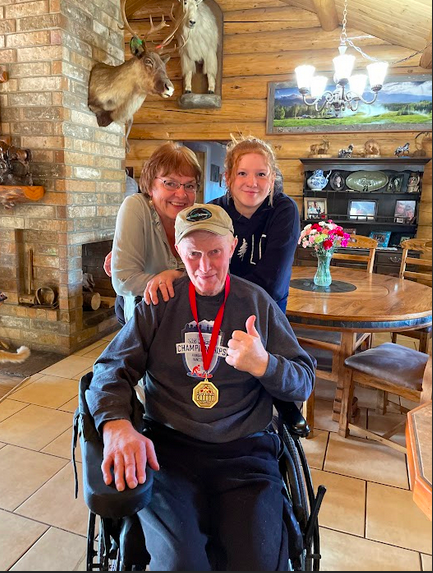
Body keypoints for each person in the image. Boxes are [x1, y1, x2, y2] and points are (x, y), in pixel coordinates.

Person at [86, 203, 315, 572]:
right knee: (180, 564)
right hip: (169, 454)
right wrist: (115, 425)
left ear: (233, 246)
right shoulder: (159, 301)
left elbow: (303, 380)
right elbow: (110, 368)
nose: (205, 266)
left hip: (246, 454)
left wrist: (265, 365)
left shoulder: (257, 302)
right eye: (193, 254)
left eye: (215, 253)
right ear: (178, 251)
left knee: (258, 563)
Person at [144, 136, 300, 313]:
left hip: (265, 311)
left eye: (261, 174)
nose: (252, 182)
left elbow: (273, 282)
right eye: (242, 173)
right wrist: (178, 273)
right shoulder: (213, 211)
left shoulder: (284, 209)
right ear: (228, 178)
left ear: (272, 179)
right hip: (218, 311)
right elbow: (197, 262)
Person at [105, 142, 202, 324]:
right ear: (151, 185)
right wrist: (183, 278)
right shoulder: (136, 207)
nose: (182, 194)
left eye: (189, 186)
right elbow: (125, 280)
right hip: (145, 321)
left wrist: (176, 275)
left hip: (188, 321)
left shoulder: (196, 217)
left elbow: (217, 274)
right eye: (170, 183)